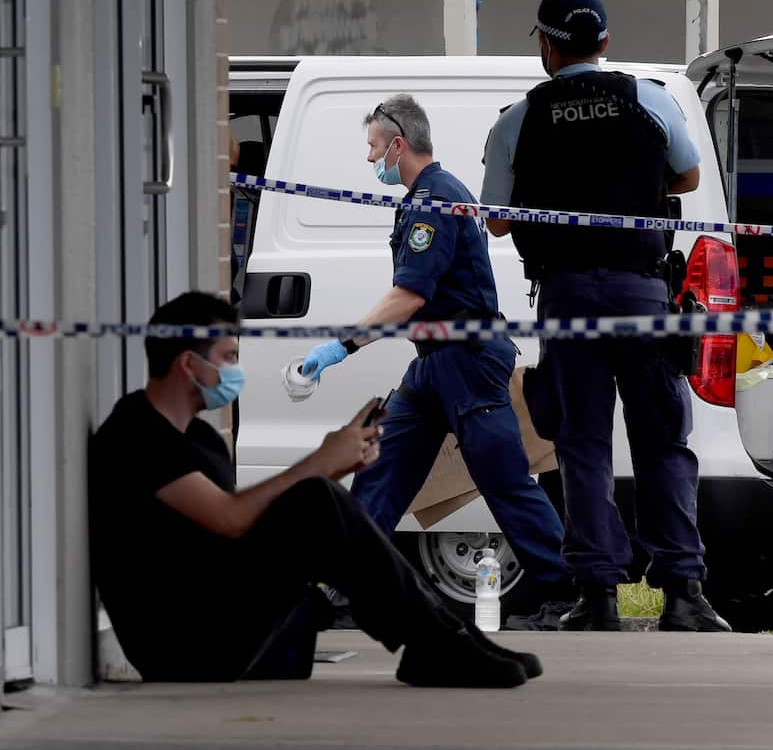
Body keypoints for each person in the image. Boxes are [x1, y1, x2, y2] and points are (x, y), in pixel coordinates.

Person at [89, 291, 540, 686]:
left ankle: (444, 635)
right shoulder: (136, 435)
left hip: (218, 617)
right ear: (189, 364)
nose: (236, 369)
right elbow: (228, 519)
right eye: (227, 357)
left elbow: (243, 531)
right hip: (182, 646)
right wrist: (320, 465)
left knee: (317, 505)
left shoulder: (201, 440)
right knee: (313, 500)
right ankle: (436, 643)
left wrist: (336, 462)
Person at [481, 0, 730, 632]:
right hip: (642, 294)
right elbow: (689, 177)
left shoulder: (518, 119)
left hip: (567, 300)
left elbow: (500, 222)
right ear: (605, 43)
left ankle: (599, 597)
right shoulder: (648, 98)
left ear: (545, 45)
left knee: (582, 446)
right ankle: (683, 595)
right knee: (663, 443)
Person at [299, 94, 574, 628]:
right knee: (381, 469)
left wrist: (342, 346)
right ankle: (352, 590)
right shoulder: (426, 196)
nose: (370, 158)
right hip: (433, 364)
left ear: (397, 145)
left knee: (505, 482)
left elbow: (409, 296)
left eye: (374, 147)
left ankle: (561, 593)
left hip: (467, 364)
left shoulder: (435, 200)